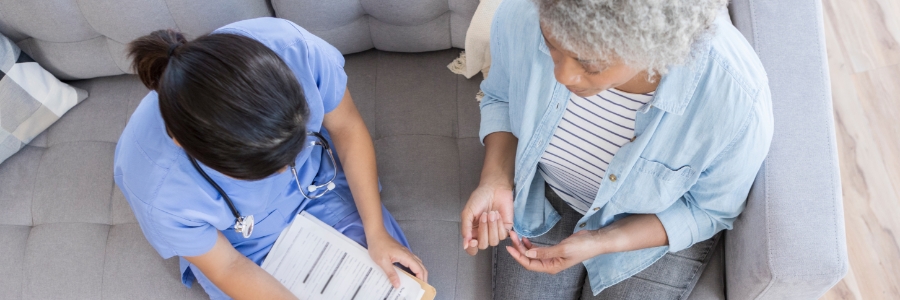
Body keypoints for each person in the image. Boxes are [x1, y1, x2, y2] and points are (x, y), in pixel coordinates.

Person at [460, 0, 773, 299]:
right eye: (552, 45)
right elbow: (501, 96)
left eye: (591, 64)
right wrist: (496, 179)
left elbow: (708, 209)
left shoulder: (736, 99)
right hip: (545, 197)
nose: (563, 75)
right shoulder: (523, 13)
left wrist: (604, 240)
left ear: (650, 47)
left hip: (648, 226)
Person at [114, 17, 427, 300]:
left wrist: (377, 233)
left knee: (397, 284)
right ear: (183, 145)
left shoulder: (294, 50)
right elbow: (226, 267)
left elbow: (345, 127)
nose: (288, 169)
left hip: (318, 187)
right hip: (240, 246)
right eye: (265, 170)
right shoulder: (160, 191)